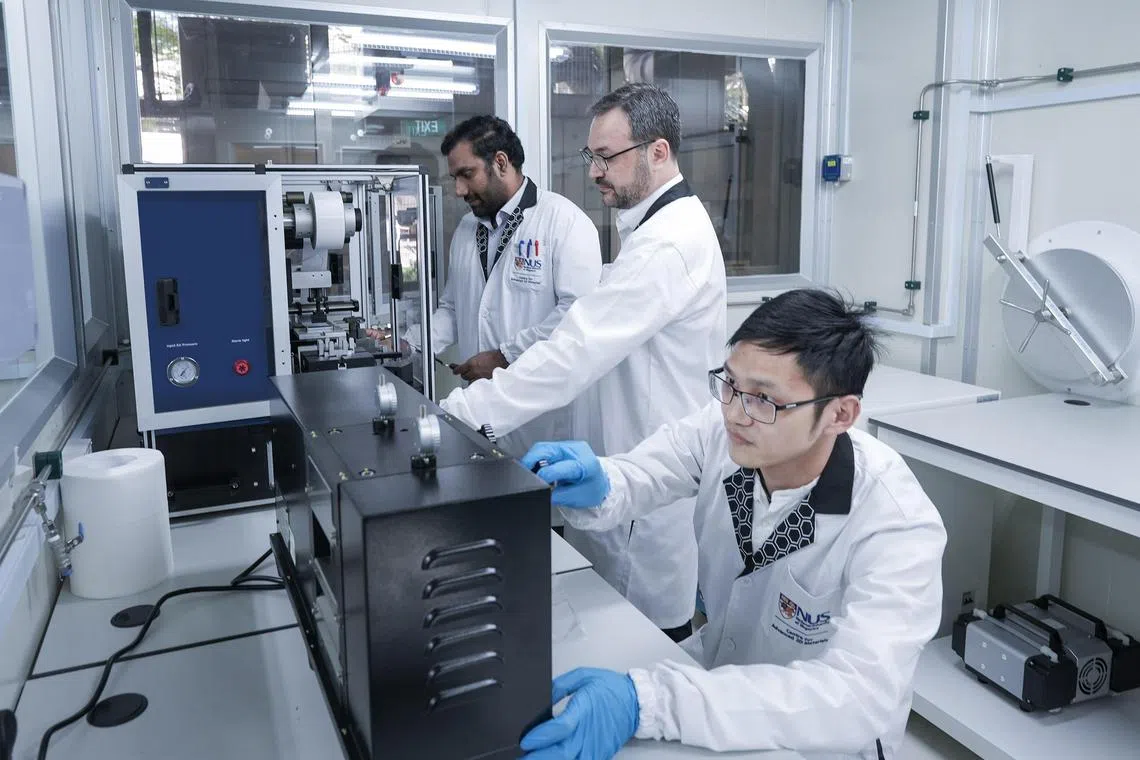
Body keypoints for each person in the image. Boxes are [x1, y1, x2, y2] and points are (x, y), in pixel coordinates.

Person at [519, 289, 947, 760]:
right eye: (729, 383)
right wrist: (602, 481)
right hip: (720, 697)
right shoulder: (727, 430)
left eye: (765, 399)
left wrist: (652, 702)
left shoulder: (896, 523)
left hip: (824, 742)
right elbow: (646, 472)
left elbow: (855, 699)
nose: (734, 412)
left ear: (839, 414)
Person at [439, 83, 727, 641]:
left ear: (658, 152)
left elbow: (574, 349)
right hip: (618, 471)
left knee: (647, 642)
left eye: (606, 157)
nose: (595, 171)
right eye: (590, 156)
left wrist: (460, 414)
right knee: (609, 632)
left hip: (645, 485)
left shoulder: (667, 244)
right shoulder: (651, 232)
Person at [369, 115, 602, 455]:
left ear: (501, 163)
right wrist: (407, 342)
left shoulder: (563, 223)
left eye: (467, 174)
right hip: (481, 413)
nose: (460, 190)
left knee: (542, 501)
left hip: (543, 421)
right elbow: (452, 307)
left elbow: (576, 315)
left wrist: (505, 356)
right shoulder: (467, 229)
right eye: (455, 178)